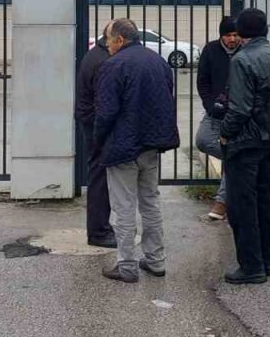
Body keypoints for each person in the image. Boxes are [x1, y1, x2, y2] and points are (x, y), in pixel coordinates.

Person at [92, 18, 180, 283]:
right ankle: (155, 260)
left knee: (124, 207)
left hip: (122, 147)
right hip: (151, 146)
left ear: (120, 40)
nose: (107, 46)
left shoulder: (113, 65)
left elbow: (106, 112)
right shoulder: (158, 62)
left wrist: (98, 141)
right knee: (150, 202)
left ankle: (127, 265)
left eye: (108, 40)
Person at [218, 8, 270, 284]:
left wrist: (225, 133)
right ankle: (267, 260)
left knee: (242, 205)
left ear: (241, 32)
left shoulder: (242, 60)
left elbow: (239, 108)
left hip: (246, 141)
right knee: (263, 199)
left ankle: (251, 266)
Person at [196, 16, 241, 221]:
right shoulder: (211, 50)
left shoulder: (244, 51)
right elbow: (202, 81)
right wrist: (210, 104)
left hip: (238, 113)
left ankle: (221, 202)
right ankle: (237, 157)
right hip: (215, 112)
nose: (232, 39)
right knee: (203, 140)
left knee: (232, 158)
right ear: (221, 36)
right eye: (228, 35)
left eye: (235, 35)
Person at [76, 22, 115, 248]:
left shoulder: (97, 55)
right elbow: (104, 101)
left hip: (91, 121)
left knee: (99, 175)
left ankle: (101, 228)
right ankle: (99, 231)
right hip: (96, 124)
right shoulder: (103, 60)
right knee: (100, 177)